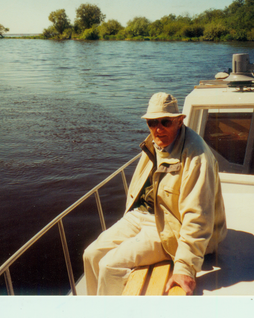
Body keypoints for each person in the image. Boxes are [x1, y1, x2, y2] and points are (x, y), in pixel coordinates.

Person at [83, 92, 227, 295]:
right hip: (140, 215)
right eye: (152, 123)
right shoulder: (155, 143)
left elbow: (198, 217)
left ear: (179, 121)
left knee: (109, 266)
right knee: (91, 254)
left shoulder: (196, 156)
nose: (158, 129)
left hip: (170, 226)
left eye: (165, 122)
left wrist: (185, 267)